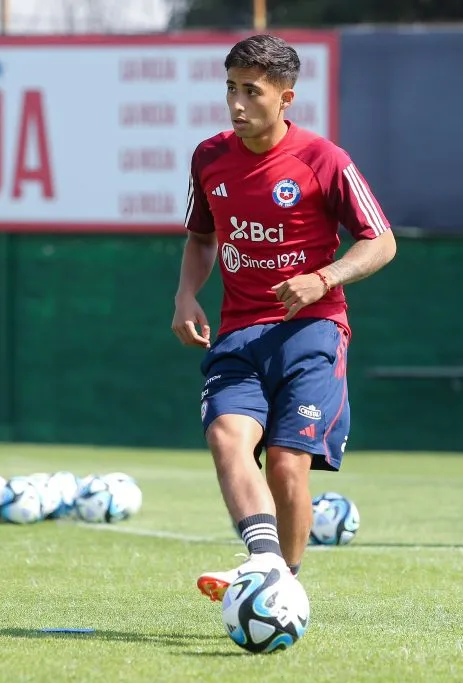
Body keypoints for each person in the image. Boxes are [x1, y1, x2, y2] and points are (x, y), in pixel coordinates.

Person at [172, 34, 396, 600]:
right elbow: (202, 237)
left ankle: (283, 584)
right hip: (238, 333)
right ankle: (267, 564)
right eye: (231, 88)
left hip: (312, 332)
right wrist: (186, 294)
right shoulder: (209, 157)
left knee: (287, 464)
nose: (237, 103)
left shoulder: (325, 160)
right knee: (227, 436)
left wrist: (324, 278)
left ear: (286, 97)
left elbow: (382, 240)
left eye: (252, 91)